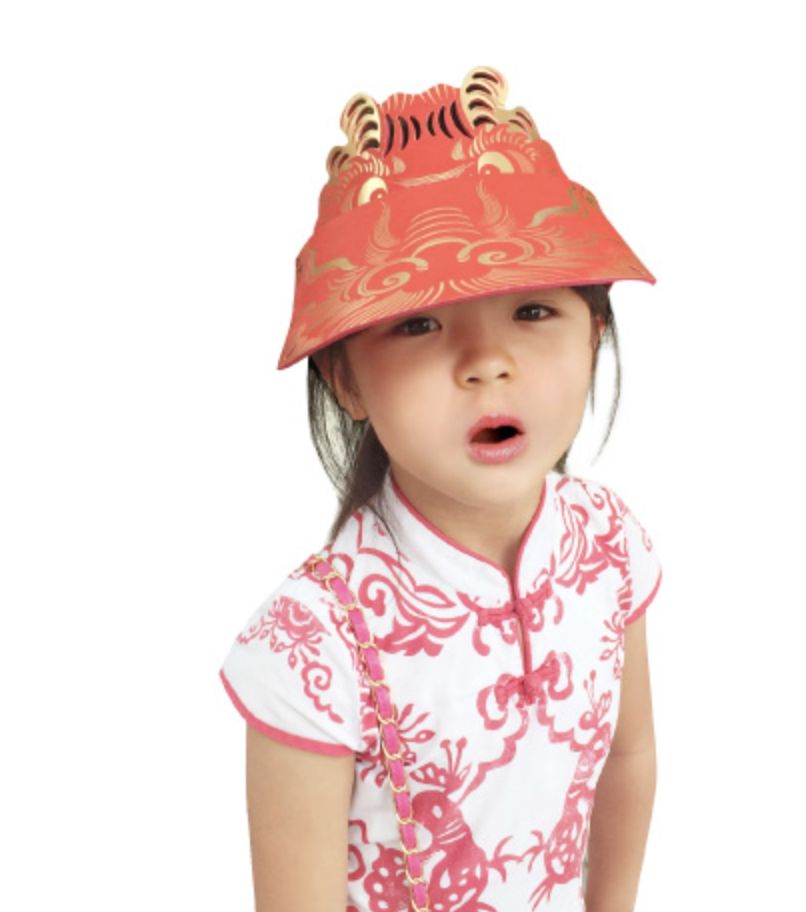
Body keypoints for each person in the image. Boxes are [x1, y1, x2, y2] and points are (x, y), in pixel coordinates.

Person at [218, 64, 664, 912]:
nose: (486, 361)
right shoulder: (314, 641)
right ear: (346, 379)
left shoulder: (609, 542)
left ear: (595, 332)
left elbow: (629, 756)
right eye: (418, 323)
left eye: (532, 310)